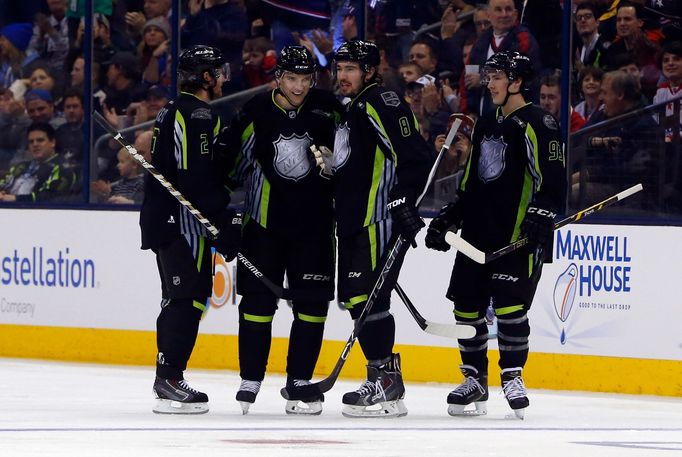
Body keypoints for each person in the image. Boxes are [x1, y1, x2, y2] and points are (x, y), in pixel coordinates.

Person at [425, 51, 566, 419]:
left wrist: (541, 210)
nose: (490, 82)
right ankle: (473, 378)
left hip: (514, 235)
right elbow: (473, 182)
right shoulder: (487, 122)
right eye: (488, 76)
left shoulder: (540, 122)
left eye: (498, 76)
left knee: (509, 309)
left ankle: (512, 376)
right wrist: (449, 217)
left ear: (517, 82)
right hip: (476, 234)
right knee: (466, 307)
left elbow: (551, 179)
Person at [316, 40, 433, 418]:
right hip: (352, 220)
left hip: (375, 220)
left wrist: (401, 200)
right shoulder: (355, 108)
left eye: (351, 69)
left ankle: (384, 381)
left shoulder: (383, 102)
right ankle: (385, 380)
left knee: (369, 299)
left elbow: (415, 157)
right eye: (340, 68)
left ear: (369, 70)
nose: (342, 75)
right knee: (357, 299)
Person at [223, 45, 340, 415]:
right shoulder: (255, 111)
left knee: (312, 306)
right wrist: (230, 218)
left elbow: (353, 164)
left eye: (306, 79)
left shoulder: (331, 110)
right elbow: (231, 170)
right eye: (292, 78)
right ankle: (251, 377)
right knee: (257, 305)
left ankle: (300, 380)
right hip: (264, 227)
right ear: (278, 78)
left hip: (316, 229)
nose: (299, 86)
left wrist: (335, 168)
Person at [139, 45, 240, 415]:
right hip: (183, 222)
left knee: (179, 298)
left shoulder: (171, 108)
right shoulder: (197, 113)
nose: (225, 77)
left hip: (165, 217)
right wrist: (224, 217)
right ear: (207, 77)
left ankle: (168, 376)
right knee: (188, 298)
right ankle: (168, 379)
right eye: (219, 71)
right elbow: (196, 179)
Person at [0, 122, 74, 203]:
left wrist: (16, 199)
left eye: (40, 140)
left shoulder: (63, 168)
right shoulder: (22, 166)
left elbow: (50, 197)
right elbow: (4, 184)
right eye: (31, 142)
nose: (35, 144)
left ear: (52, 142)